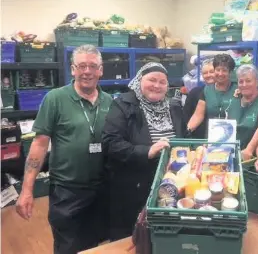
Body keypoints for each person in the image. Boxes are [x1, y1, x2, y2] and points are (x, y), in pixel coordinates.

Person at [15, 44, 113, 254]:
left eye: (93, 66)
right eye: (82, 66)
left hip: (101, 189)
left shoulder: (110, 101)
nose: (87, 71)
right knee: (67, 247)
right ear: (72, 69)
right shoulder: (55, 99)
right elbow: (39, 145)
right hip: (67, 191)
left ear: (101, 70)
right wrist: (26, 190)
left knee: (94, 245)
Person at [102, 62, 185, 241]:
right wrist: (147, 151)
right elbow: (111, 143)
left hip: (168, 184)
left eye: (162, 82)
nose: (157, 85)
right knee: (131, 238)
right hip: (132, 188)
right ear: (139, 81)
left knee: (162, 236)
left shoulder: (174, 107)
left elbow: (183, 139)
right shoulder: (122, 105)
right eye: (152, 80)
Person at [227, 64, 258, 161]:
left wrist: (249, 149)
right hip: (232, 154)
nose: (244, 84)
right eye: (241, 81)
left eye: (248, 81)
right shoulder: (234, 99)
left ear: (257, 82)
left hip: (254, 157)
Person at [187, 54, 237, 137]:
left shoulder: (238, 90)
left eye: (224, 70)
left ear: (230, 72)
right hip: (212, 138)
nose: (220, 73)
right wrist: (188, 130)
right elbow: (198, 115)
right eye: (218, 70)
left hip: (233, 137)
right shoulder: (206, 90)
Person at [183, 59, 215, 138]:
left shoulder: (226, 92)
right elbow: (186, 116)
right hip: (198, 138)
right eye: (205, 73)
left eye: (211, 72)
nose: (208, 75)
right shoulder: (194, 93)